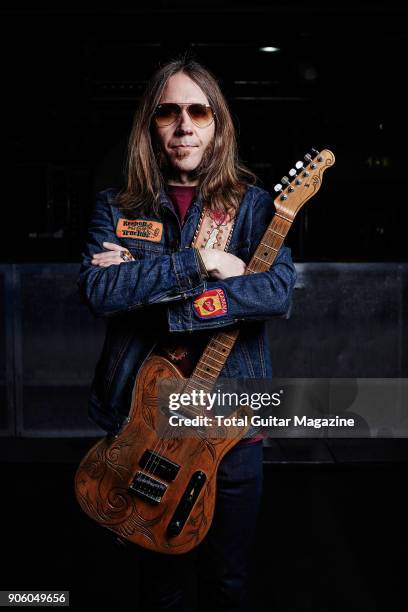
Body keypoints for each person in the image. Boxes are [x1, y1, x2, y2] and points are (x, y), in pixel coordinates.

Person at [77, 57, 297, 611]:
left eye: (198, 110)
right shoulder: (116, 205)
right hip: (142, 421)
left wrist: (144, 282)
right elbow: (101, 293)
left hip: (232, 425)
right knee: (161, 587)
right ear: (150, 124)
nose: (184, 125)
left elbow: (276, 294)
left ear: (216, 122)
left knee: (228, 582)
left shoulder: (252, 207)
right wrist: (205, 260)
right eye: (168, 112)